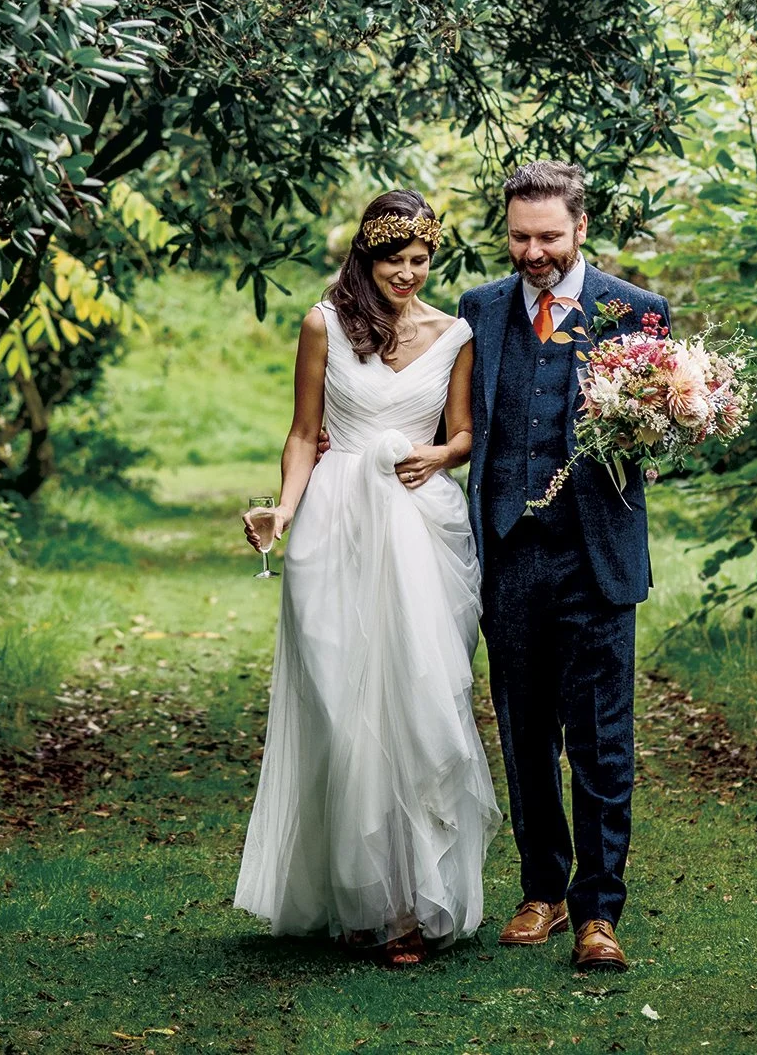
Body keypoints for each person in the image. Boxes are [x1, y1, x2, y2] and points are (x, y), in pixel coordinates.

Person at [232, 191, 500, 965]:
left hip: (418, 525)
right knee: (339, 705)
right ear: (366, 257)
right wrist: (283, 511)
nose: (407, 274)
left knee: (417, 700)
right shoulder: (322, 324)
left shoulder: (455, 334)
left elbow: (463, 434)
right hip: (334, 521)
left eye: (419, 260)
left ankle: (410, 905)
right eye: (393, 260)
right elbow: (301, 432)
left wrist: (440, 454)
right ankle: (358, 896)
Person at [458, 160, 671, 974]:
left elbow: (660, 438)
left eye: (548, 237)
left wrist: (674, 418)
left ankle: (598, 911)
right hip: (508, 554)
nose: (533, 253)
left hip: (596, 557)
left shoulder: (635, 311)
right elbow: (455, 421)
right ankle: (540, 891)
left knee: (601, 738)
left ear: (580, 227)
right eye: (519, 238)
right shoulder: (479, 309)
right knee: (523, 732)